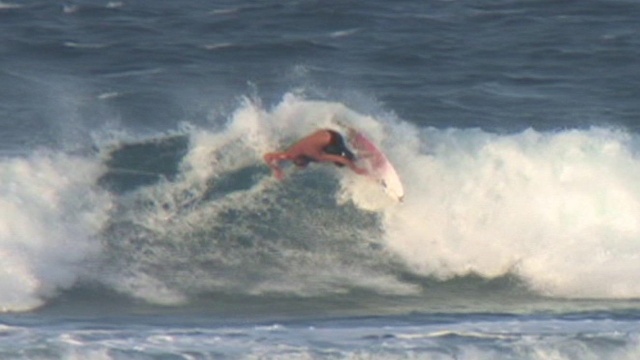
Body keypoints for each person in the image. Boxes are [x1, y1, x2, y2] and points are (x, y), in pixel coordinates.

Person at [264, 129, 368, 180]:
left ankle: (360, 153)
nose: (304, 166)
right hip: (325, 131)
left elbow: (341, 159)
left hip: (334, 138)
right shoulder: (289, 154)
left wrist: (356, 169)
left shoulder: (316, 156)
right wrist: (276, 169)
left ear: (304, 160)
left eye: (303, 164)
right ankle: (348, 133)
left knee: (342, 162)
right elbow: (267, 156)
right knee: (335, 157)